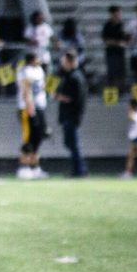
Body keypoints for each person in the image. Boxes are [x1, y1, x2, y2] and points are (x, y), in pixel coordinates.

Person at [16, 48, 48, 179]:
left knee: (38, 137)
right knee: (28, 138)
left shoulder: (39, 70)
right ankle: (23, 167)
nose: (40, 59)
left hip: (39, 106)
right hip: (27, 108)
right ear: (32, 59)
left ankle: (34, 167)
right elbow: (26, 91)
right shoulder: (25, 71)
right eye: (37, 57)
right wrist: (31, 110)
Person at [56, 49, 88, 178]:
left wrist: (59, 97)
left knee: (73, 144)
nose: (62, 63)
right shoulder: (70, 75)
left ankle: (80, 170)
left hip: (71, 115)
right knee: (69, 143)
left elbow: (75, 98)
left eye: (64, 61)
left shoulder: (75, 77)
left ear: (69, 61)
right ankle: (79, 168)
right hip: (69, 115)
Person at [102, 4, 129, 92]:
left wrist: (116, 42)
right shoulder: (107, 25)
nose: (118, 15)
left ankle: (120, 91)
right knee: (111, 75)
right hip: (111, 54)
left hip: (120, 54)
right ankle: (112, 94)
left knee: (120, 75)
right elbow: (106, 40)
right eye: (116, 13)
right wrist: (117, 43)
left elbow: (126, 40)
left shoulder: (122, 25)